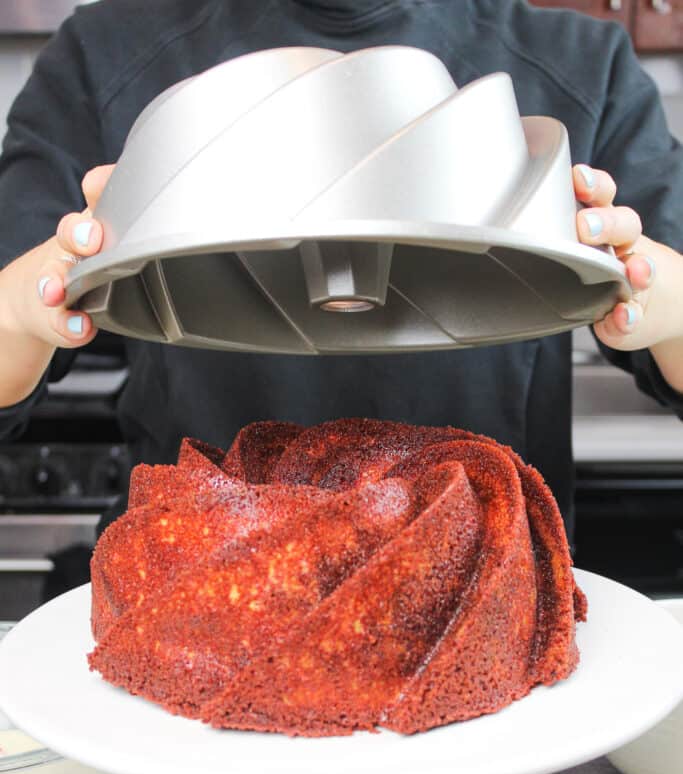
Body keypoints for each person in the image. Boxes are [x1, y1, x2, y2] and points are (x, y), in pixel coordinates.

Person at [1, 0, 683, 535]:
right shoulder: (106, 52)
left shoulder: (581, 63)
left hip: (484, 582)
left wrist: (647, 288)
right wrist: (47, 287)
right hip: (193, 580)